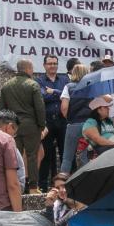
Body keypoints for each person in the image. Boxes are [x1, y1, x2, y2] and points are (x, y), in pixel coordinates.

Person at [1, 59, 47, 194]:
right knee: (32, 156)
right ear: (27, 69)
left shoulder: (6, 86)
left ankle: (13, 186)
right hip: (31, 125)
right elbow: (40, 107)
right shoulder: (33, 85)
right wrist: (41, 124)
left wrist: (5, 128)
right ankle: (33, 187)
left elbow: (2, 109)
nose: (32, 71)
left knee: (14, 157)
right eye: (32, 68)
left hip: (12, 126)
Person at [36, 54, 70, 187]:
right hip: (47, 122)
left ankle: (67, 185)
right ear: (44, 65)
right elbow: (42, 96)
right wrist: (61, 94)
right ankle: (43, 186)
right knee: (46, 156)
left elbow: (69, 95)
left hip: (63, 121)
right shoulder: (39, 81)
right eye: (50, 63)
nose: (53, 66)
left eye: (55, 63)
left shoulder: (64, 79)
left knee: (65, 154)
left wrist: (54, 91)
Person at [58, 64, 96, 175]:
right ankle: (85, 181)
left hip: (74, 124)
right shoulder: (91, 87)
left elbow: (64, 108)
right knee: (85, 155)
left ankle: (62, 182)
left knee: (67, 157)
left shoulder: (68, 87)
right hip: (89, 126)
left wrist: (69, 118)